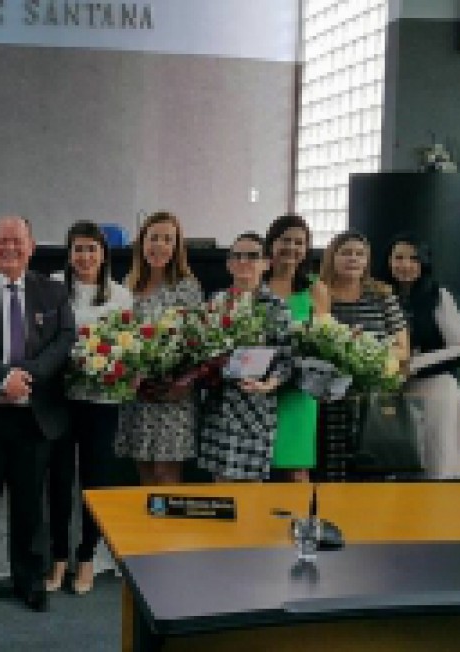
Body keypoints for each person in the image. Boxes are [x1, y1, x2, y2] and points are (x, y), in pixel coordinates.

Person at [0, 215, 76, 613]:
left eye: (17, 241)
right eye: (2, 241)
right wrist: (2, 379)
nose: (10, 248)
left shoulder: (53, 293)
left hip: (34, 415)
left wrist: (27, 378)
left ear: (32, 246)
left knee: (30, 505)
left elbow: (64, 341)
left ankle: (30, 580)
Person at [46, 220, 133, 596]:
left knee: (96, 482)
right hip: (60, 400)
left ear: (103, 254)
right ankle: (58, 558)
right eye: (78, 249)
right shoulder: (51, 288)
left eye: (91, 249)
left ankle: (87, 559)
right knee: (59, 481)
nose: (84, 256)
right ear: (69, 254)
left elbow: (127, 348)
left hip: (101, 401)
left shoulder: (120, 295)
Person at [115, 211, 203, 486]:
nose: (160, 245)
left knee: (166, 475)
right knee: (143, 471)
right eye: (154, 238)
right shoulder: (128, 286)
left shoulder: (187, 288)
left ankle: (168, 530)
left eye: (168, 239)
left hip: (172, 395)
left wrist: (182, 380)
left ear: (177, 247)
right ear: (142, 243)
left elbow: (197, 343)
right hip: (138, 395)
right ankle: (148, 530)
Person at [197, 233, 293, 481]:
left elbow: (288, 359)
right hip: (219, 406)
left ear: (266, 263)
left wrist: (267, 385)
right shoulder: (215, 302)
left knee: (250, 498)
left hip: (255, 408)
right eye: (237, 255)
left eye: (252, 256)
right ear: (228, 264)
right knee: (221, 493)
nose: (244, 261)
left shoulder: (276, 307)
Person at [378, 234, 460, 479]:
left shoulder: (439, 296)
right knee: (394, 462)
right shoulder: (381, 295)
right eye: (398, 257)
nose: (405, 265)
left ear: (424, 263)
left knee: (437, 462)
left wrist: (415, 364)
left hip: (436, 389)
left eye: (413, 258)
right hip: (392, 389)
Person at [319, 231, 410, 480]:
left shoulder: (383, 294)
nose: (353, 259)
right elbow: (317, 343)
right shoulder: (320, 292)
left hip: (375, 400)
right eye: (346, 253)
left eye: (360, 254)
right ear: (332, 257)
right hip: (332, 399)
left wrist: (369, 356)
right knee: (333, 475)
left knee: (375, 473)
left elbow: (403, 349)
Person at [264, 215, 330, 481]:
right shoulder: (257, 284)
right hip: (260, 387)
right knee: (257, 466)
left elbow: (324, 339)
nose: (291, 247)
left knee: (296, 469)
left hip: (298, 389)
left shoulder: (316, 288)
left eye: (299, 242)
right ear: (271, 244)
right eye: (285, 240)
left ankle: (300, 522)